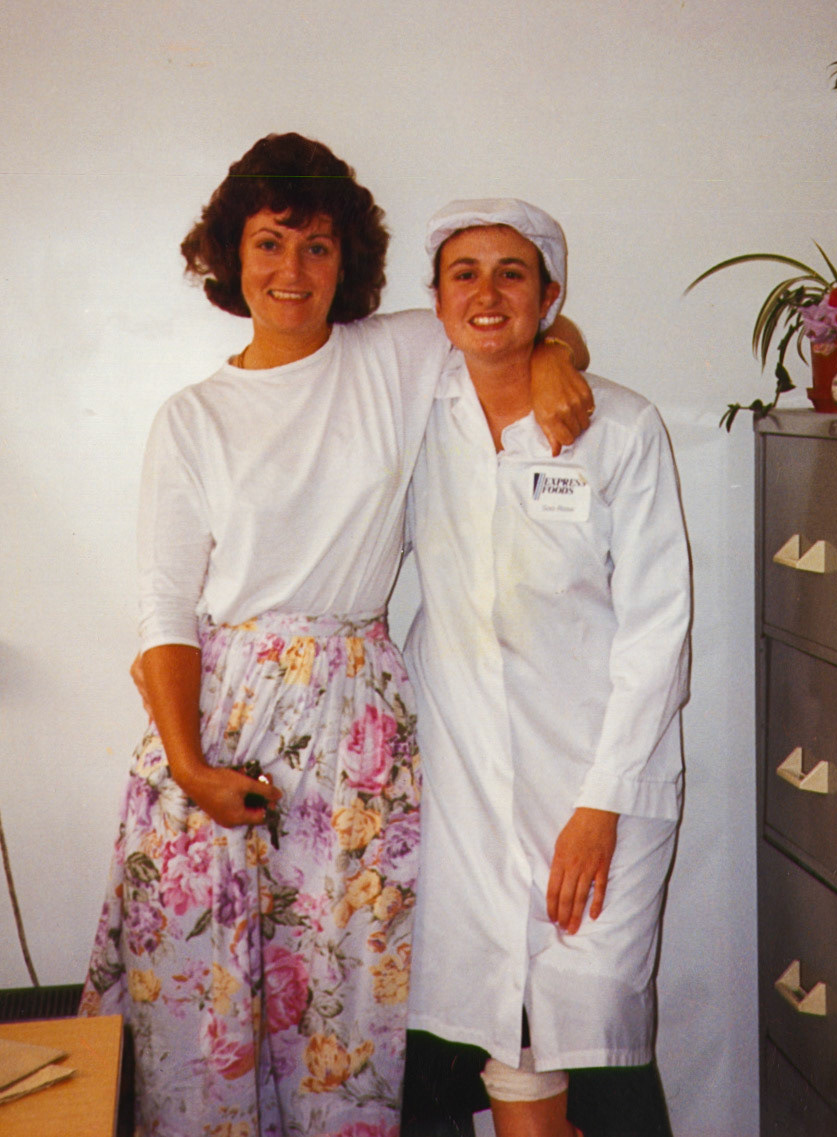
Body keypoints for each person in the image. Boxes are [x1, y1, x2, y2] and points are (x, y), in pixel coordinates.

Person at [79, 136, 591, 1137]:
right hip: (214, 727)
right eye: (269, 243)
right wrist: (189, 763)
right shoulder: (192, 419)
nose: (291, 271)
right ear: (230, 255)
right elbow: (162, 613)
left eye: (317, 247)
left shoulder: (394, 354)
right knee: (201, 1007)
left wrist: (559, 359)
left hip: (356, 726)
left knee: (342, 1008)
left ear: (346, 262)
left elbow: (499, 321)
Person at [400, 201, 691, 1137]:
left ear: (550, 293)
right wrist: (555, 346)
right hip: (464, 782)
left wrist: (600, 806)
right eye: (464, 273)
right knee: (500, 1032)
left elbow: (659, 629)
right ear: (436, 300)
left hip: (596, 776)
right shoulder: (417, 405)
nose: (486, 292)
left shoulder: (622, 428)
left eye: (513, 273)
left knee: (591, 1026)